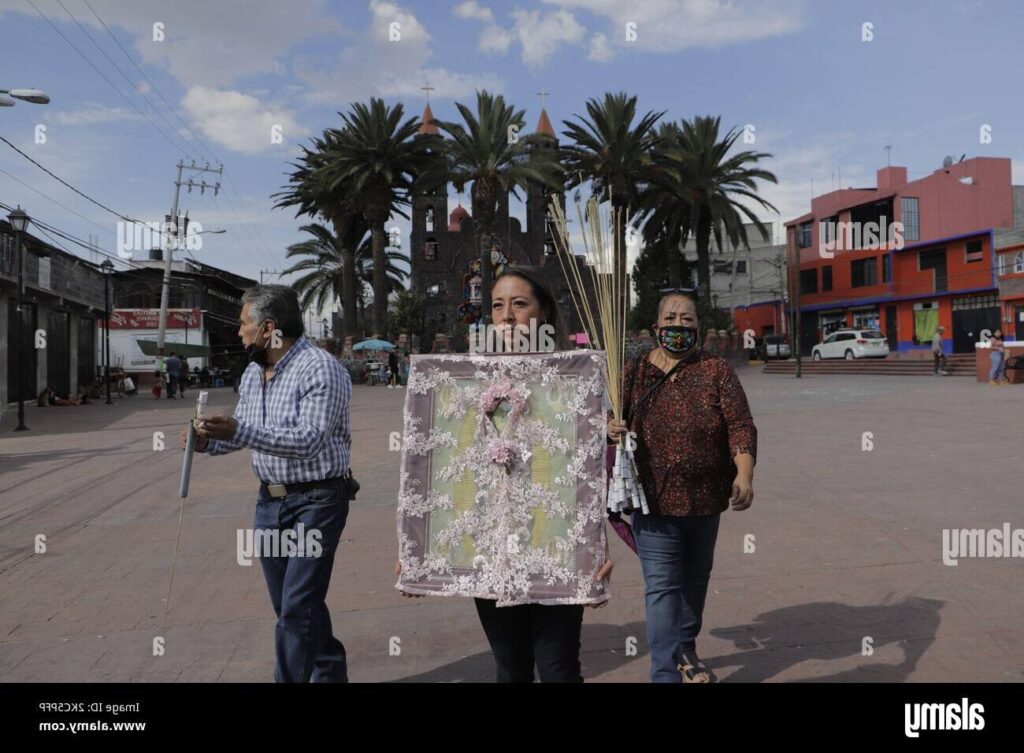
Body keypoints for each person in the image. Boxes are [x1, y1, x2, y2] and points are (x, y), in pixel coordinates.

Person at [398, 267, 613, 683]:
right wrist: (417, 544)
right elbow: (441, 462)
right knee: (510, 669)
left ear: (544, 311)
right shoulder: (463, 382)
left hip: (554, 546)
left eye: (519, 304)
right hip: (489, 548)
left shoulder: (575, 382)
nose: (507, 316)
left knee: (558, 669)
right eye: (498, 306)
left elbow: (590, 470)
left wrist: (597, 547)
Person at [179, 284, 353, 683]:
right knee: (292, 606)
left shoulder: (320, 369)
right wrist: (206, 441)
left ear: (268, 328)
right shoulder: (255, 373)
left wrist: (238, 429)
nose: (239, 333)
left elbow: (309, 440)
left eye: (244, 324)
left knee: (297, 606)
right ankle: (329, 673)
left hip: (318, 500)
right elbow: (246, 436)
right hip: (270, 504)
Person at [608, 288, 757, 683]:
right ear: (656, 327)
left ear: (699, 328)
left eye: (686, 319)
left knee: (694, 582)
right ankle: (664, 674)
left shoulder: (716, 371)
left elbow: (740, 425)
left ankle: (685, 648)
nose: (678, 326)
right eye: (670, 319)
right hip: (651, 503)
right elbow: (608, 421)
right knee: (661, 588)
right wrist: (610, 428)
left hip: (706, 502)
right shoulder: (634, 371)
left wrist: (744, 474)